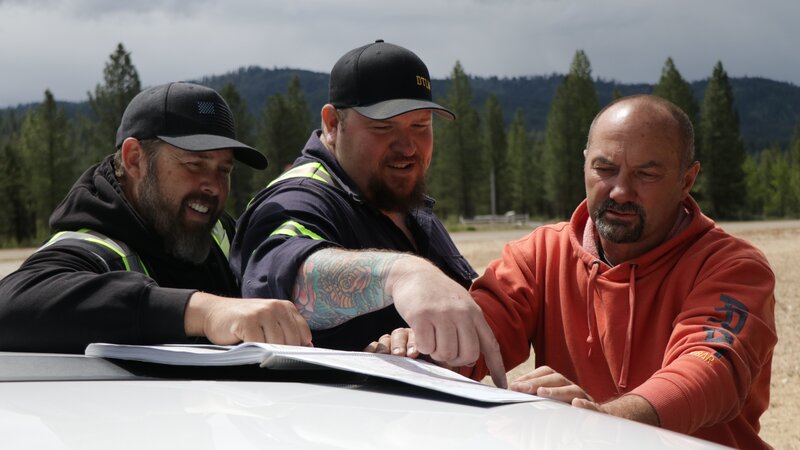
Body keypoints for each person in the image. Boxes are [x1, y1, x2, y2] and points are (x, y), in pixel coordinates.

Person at [453, 95, 776, 448]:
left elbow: (710, 368)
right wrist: (423, 343)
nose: (621, 191)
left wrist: (604, 422)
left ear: (686, 180)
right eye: (604, 169)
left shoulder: (733, 267)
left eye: (646, 174)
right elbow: (473, 336)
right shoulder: (539, 255)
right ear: (584, 165)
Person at [230, 40, 506, 387]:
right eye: (384, 127)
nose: (407, 147)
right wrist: (401, 275)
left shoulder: (405, 204)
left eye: (420, 126)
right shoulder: (298, 197)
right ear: (333, 123)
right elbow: (280, 276)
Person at [0, 82, 312, 353]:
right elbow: (12, 305)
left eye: (224, 170)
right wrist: (205, 312)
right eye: (194, 165)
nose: (214, 186)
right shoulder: (95, 245)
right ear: (135, 159)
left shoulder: (219, 233)